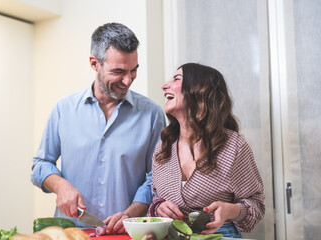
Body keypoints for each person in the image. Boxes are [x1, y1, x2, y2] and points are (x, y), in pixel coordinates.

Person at [31, 22, 166, 234]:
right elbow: (41, 164)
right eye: (119, 71)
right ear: (95, 64)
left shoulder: (152, 114)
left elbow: (157, 178)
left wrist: (130, 214)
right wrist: (60, 186)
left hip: (127, 233)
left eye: (134, 70)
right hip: (71, 233)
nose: (128, 80)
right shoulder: (63, 109)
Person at [148, 63, 265, 238]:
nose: (165, 85)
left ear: (200, 91)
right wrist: (158, 208)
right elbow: (156, 198)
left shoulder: (234, 146)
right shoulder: (163, 148)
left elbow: (256, 206)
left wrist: (230, 210)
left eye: (177, 79)